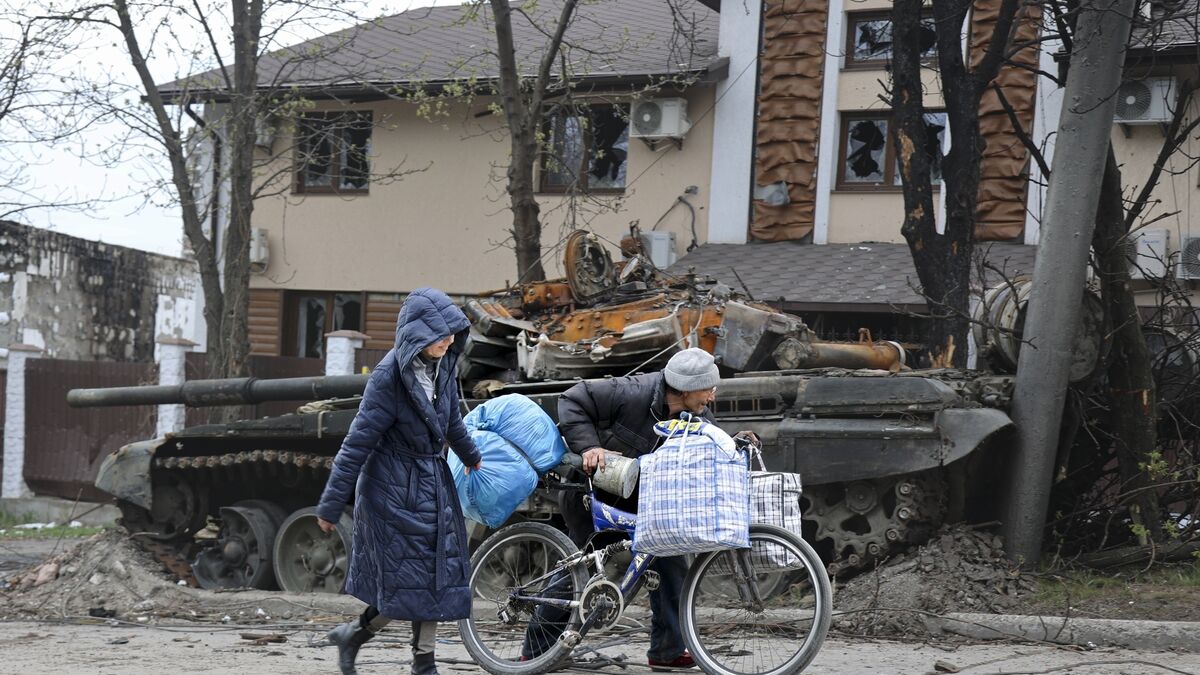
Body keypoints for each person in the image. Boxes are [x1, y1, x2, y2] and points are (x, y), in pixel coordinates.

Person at [524, 347, 754, 671]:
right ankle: (535, 652)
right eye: (708, 389)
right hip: (597, 497)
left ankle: (667, 652)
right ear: (686, 389)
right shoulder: (632, 392)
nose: (712, 397)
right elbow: (573, 400)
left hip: (647, 503)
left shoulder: (697, 413)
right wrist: (589, 446)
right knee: (581, 571)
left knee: (672, 566)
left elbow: (711, 441)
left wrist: (736, 440)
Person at [316, 288, 482, 675]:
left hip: (432, 483)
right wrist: (330, 504)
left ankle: (394, 651)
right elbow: (357, 443)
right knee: (411, 582)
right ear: (418, 333)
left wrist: (472, 456)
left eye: (452, 333)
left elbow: (451, 420)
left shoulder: (443, 365)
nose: (449, 340)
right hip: (392, 491)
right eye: (441, 334)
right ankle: (379, 645)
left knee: (435, 579)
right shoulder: (388, 377)